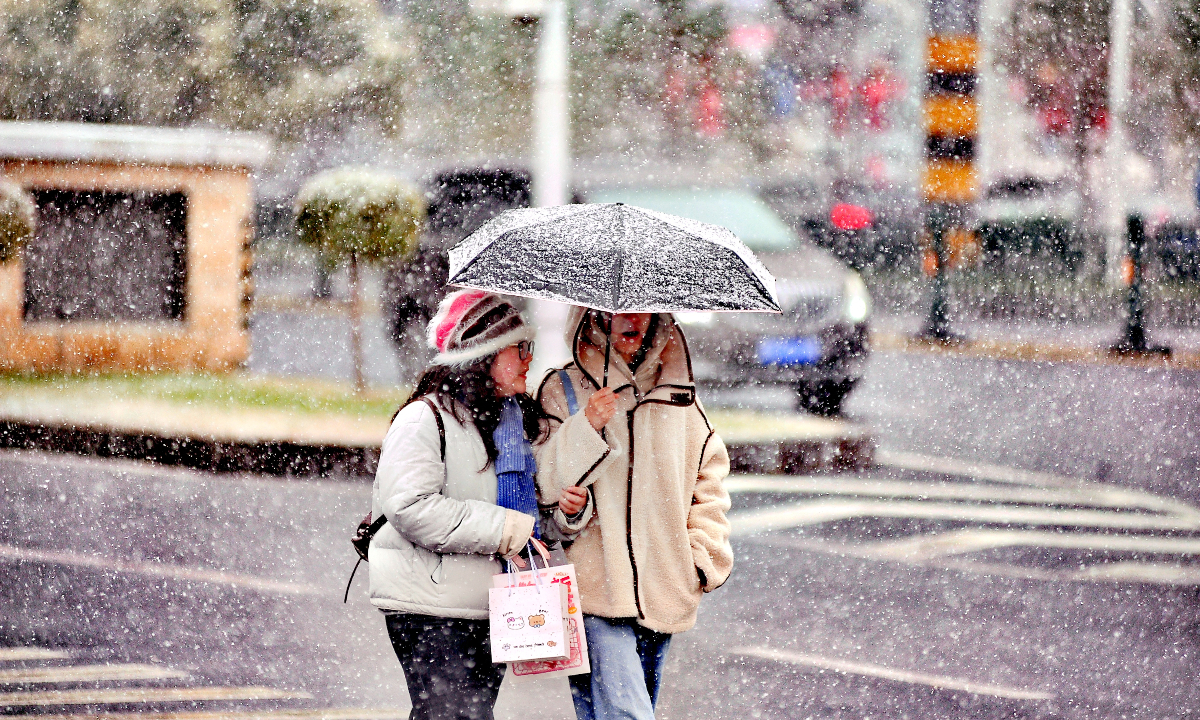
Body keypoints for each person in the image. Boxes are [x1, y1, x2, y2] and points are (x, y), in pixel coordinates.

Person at [368, 289, 587, 720]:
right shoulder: (424, 418)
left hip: (490, 608)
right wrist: (505, 528)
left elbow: (530, 523)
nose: (529, 359)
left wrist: (565, 514)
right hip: (430, 608)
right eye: (519, 349)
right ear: (483, 355)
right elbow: (411, 507)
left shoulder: (512, 424)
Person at [535, 308, 734, 720]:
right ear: (593, 315)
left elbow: (708, 476)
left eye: (644, 310)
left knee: (611, 712)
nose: (633, 319)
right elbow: (545, 482)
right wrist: (587, 425)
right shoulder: (562, 388)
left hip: (665, 587)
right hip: (596, 589)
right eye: (618, 311)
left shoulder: (679, 393)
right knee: (629, 714)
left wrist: (699, 557)